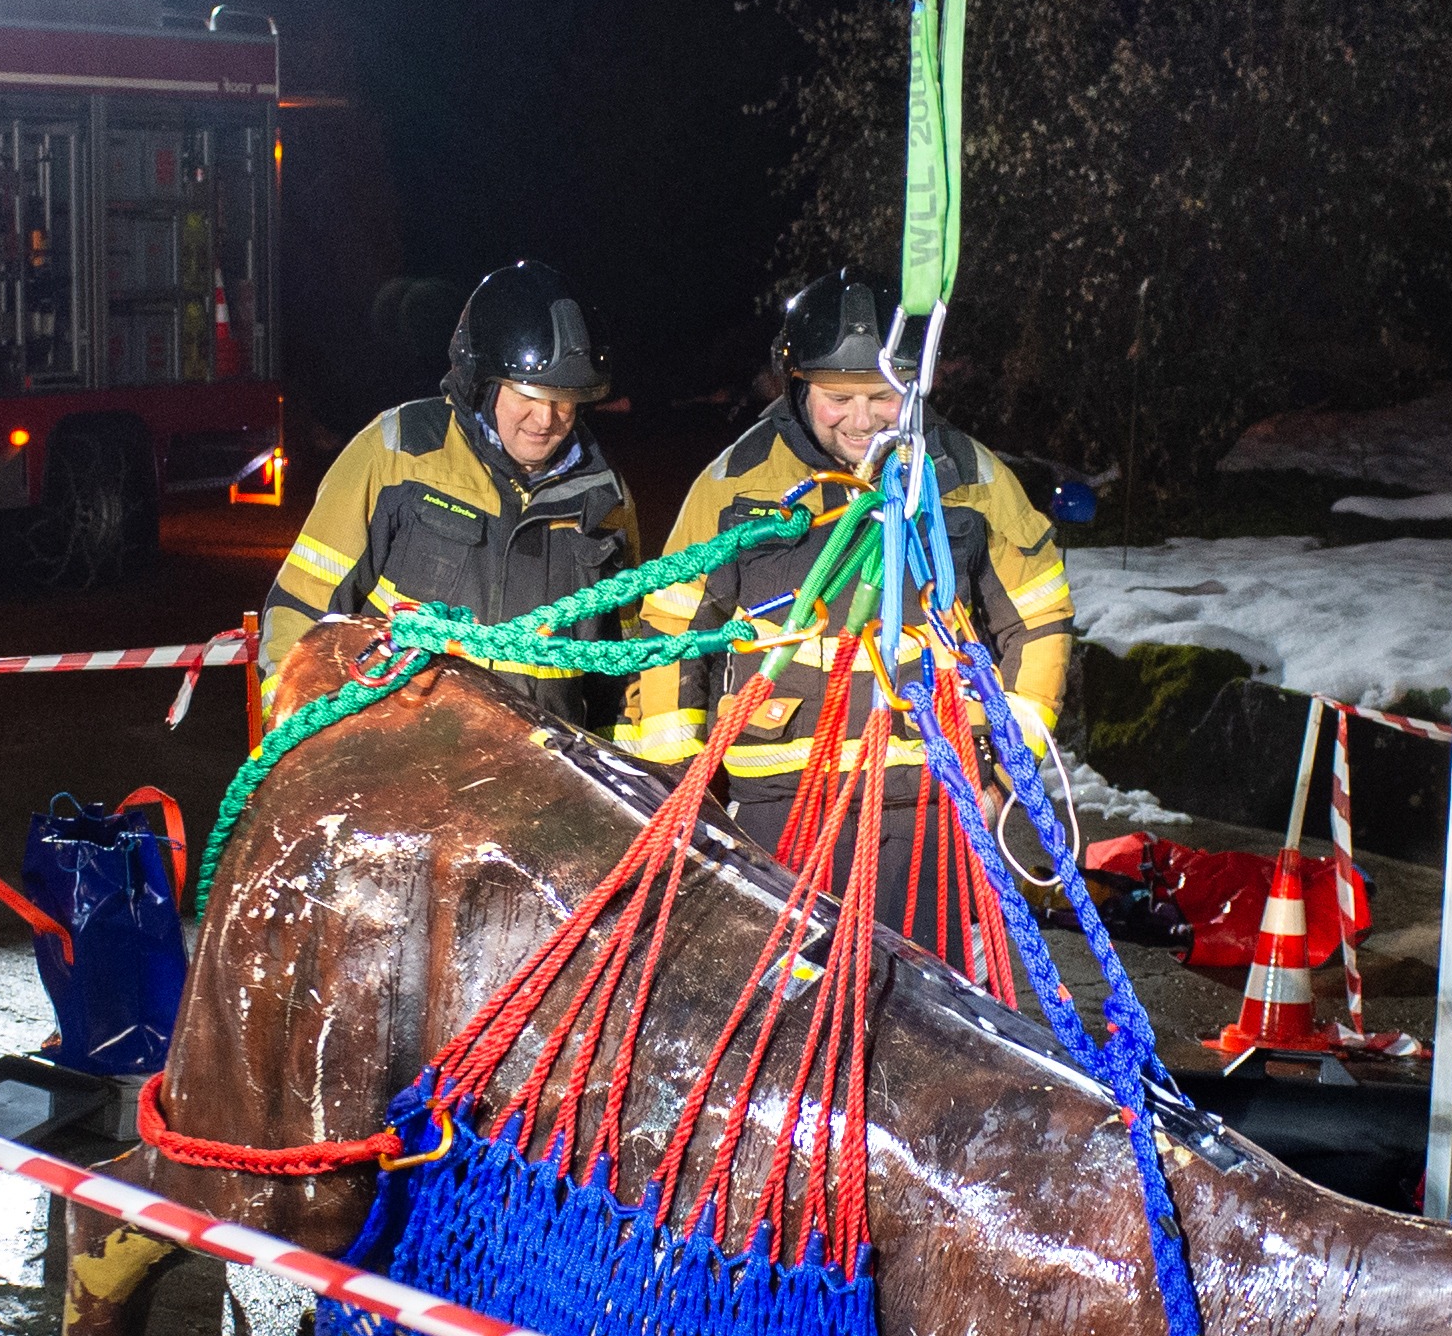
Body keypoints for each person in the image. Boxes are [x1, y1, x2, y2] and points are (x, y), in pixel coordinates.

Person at [621, 269, 1076, 905]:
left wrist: (1006, 772)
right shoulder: (735, 487)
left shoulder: (971, 478)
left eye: (883, 397)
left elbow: (1039, 620)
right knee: (788, 996)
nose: (862, 421)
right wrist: (675, 784)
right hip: (780, 802)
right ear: (797, 383)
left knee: (913, 998)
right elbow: (673, 630)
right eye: (838, 396)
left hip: (931, 798)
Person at [258, 260, 638, 719]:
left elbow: (624, 673)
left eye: (566, 403)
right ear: (480, 385)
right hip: (396, 768)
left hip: (537, 778)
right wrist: (298, 737)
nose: (546, 421)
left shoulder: (603, 498)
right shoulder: (397, 455)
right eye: (528, 397)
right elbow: (301, 608)